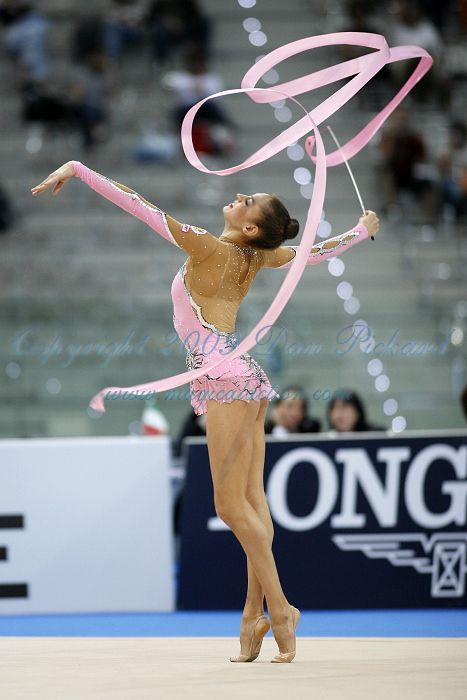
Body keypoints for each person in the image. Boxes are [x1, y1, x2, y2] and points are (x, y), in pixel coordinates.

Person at [31, 160, 380, 663]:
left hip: (223, 378)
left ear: (250, 227)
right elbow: (313, 254)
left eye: (246, 201)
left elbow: (140, 206)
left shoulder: (208, 246)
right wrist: (360, 230)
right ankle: (250, 617)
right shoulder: (255, 258)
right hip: (247, 377)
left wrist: (79, 170)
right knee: (253, 504)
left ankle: (281, 611)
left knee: (229, 507)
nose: (238, 196)